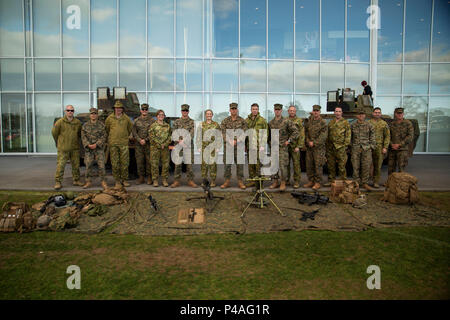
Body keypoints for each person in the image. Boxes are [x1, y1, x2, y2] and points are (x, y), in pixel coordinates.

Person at [268, 104, 299, 191]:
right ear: (274, 110)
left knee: (283, 166)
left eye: (279, 110)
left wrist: (289, 141)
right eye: (276, 110)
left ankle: (283, 183)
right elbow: (268, 135)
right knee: (274, 166)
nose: (277, 111)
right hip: (274, 148)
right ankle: (275, 182)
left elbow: (296, 131)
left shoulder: (286, 121)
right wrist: (270, 143)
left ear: (281, 111)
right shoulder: (271, 123)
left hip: (282, 147)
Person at [52, 104, 83, 190]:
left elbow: (80, 134)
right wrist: (58, 143)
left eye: (72, 110)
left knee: (76, 165)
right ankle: (58, 182)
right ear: (65, 111)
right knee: (61, 165)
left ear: (73, 112)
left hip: (74, 148)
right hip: (63, 148)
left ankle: (76, 180)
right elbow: (54, 133)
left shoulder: (77, 122)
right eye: (68, 110)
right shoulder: (60, 122)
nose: (70, 112)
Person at [105, 100, 133, 190]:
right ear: (114, 109)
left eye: (120, 108)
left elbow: (129, 129)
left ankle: (124, 180)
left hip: (123, 144)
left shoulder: (126, 118)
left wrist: (124, 137)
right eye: (116, 108)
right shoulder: (109, 118)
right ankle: (117, 181)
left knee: (125, 163)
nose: (118, 110)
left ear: (122, 109)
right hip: (113, 144)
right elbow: (107, 129)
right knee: (115, 163)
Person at [220, 102, 248, 189]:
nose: (234, 110)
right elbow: (223, 132)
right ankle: (227, 181)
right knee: (227, 164)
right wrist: (229, 140)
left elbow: (245, 132)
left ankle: (240, 181)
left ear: (237, 110)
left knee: (239, 164)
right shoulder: (225, 121)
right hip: (228, 146)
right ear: (230, 110)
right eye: (232, 109)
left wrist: (238, 140)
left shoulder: (242, 121)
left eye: (235, 109)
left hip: (239, 146)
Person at [171, 104, 197, 188]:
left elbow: (192, 134)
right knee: (177, 164)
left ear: (188, 112)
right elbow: (174, 133)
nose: (185, 112)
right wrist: (180, 142)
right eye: (183, 111)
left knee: (189, 165)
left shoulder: (192, 122)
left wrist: (184, 142)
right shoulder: (176, 122)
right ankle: (176, 181)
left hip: (188, 146)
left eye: (186, 111)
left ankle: (190, 181)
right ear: (181, 111)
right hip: (178, 146)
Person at [81, 108, 108, 190]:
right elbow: (83, 136)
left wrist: (97, 144)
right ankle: (88, 181)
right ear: (90, 115)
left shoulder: (101, 125)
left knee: (101, 166)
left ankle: (103, 181)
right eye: (92, 114)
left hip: (98, 148)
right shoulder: (85, 125)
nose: (93, 115)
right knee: (88, 165)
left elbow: (104, 136)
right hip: (89, 149)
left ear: (97, 115)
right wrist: (88, 144)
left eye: (95, 114)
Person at [325, 106, 351, 186]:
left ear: (341, 113)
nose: (337, 113)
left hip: (340, 147)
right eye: (336, 111)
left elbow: (348, 135)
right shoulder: (331, 122)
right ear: (334, 113)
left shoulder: (345, 122)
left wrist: (345, 146)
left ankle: (343, 181)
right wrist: (327, 145)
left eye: (339, 111)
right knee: (331, 165)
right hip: (331, 147)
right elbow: (328, 134)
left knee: (341, 165)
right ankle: (331, 180)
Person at [304, 105, 328, 190]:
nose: (315, 112)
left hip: (318, 148)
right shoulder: (310, 121)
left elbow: (323, 136)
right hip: (309, 147)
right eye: (314, 111)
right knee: (309, 165)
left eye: (317, 111)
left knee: (318, 165)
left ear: (319, 112)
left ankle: (318, 182)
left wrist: (314, 143)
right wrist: (308, 141)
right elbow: (306, 132)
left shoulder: (323, 122)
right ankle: (311, 180)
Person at [350, 110, 376, 191]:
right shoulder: (353, 125)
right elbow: (349, 137)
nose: (361, 116)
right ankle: (356, 183)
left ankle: (365, 183)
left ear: (365, 115)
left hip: (366, 149)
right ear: (356, 116)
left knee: (366, 166)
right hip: (355, 148)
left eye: (362, 114)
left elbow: (373, 137)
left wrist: (371, 146)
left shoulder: (369, 125)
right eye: (359, 114)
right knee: (355, 166)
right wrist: (351, 146)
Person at [245, 103, 268, 187]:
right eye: (253, 109)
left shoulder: (262, 120)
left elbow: (265, 133)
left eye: (256, 109)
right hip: (250, 146)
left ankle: (260, 183)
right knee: (251, 165)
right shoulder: (247, 120)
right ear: (251, 110)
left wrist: (262, 145)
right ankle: (252, 181)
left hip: (259, 147)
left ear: (258, 110)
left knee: (259, 165)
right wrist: (245, 145)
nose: (254, 110)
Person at [196, 109, 221, 187]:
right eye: (207, 114)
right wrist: (199, 146)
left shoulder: (216, 125)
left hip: (213, 148)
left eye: (210, 114)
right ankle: (204, 180)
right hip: (204, 148)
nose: (209, 115)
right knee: (204, 165)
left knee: (213, 165)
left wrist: (218, 147)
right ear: (205, 115)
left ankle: (213, 181)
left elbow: (219, 137)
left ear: (212, 115)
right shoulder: (201, 125)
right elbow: (198, 136)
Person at [132, 103, 155, 185]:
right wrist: (139, 140)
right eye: (143, 109)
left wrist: (145, 140)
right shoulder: (136, 120)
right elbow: (134, 132)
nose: (144, 111)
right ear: (141, 110)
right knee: (139, 161)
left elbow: (153, 133)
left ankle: (149, 177)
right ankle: (141, 177)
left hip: (148, 144)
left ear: (148, 111)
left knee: (149, 161)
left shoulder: (152, 121)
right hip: (139, 145)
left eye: (146, 110)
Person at [148, 109, 171, 187]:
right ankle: (155, 180)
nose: (161, 116)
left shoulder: (167, 126)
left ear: (164, 116)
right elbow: (151, 137)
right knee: (154, 164)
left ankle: (164, 180)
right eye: (159, 115)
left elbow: (170, 136)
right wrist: (159, 144)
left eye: (162, 115)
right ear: (157, 116)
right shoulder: (153, 126)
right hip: (155, 148)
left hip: (165, 148)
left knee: (166, 164)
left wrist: (165, 144)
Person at [388, 107, 414, 175]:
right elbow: (388, 136)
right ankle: (390, 182)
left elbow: (410, 136)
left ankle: (400, 183)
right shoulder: (391, 124)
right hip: (392, 149)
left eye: (401, 113)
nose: (399, 115)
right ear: (395, 114)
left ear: (403, 114)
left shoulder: (408, 123)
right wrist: (391, 144)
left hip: (402, 149)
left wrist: (399, 144)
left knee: (401, 167)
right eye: (398, 113)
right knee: (391, 167)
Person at [369, 107, 390, 188]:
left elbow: (387, 136)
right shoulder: (369, 123)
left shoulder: (384, 124)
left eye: (378, 112)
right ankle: (367, 181)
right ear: (373, 113)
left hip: (379, 147)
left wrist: (385, 147)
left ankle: (376, 182)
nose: (377, 114)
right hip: (370, 147)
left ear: (380, 114)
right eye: (375, 112)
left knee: (378, 165)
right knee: (368, 165)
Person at [285, 105, 305, 189]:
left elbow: (302, 134)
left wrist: (299, 146)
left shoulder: (299, 121)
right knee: (286, 164)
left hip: (295, 146)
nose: (292, 112)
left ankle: (296, 181)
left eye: (293, 110)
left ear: (295, 111)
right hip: (287, 146)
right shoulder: (285, 120)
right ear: (288, 111)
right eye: (290, 110)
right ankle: (287, 180)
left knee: (296, 164)